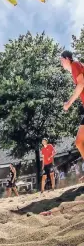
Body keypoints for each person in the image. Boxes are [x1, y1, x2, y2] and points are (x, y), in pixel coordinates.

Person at [61, 50, 84, 182]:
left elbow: (81, 84)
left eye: (61, 59)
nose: (60, 62)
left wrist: (68, 103)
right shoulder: (77, 68)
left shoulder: (75, 65)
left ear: (67, 59)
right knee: (79, 142)